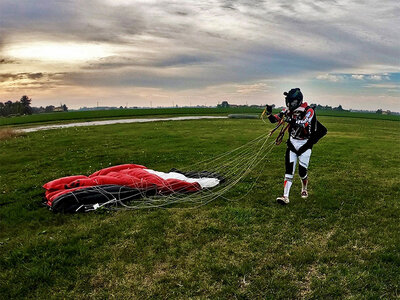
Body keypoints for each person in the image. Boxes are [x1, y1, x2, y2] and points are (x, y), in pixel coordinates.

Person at [265, 88, 327, 205]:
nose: (289, 104)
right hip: (292, 144)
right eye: (288, 101)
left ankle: (304, 188)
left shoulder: (309, 111)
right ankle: (285, 196)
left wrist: (290, 120)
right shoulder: (288, 111)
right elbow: (275, 120)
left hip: (305, 145)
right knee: (289, 170)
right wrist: (269, 113)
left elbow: (304, 123)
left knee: (302, 172)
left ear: (298, 101)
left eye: (292, 102)